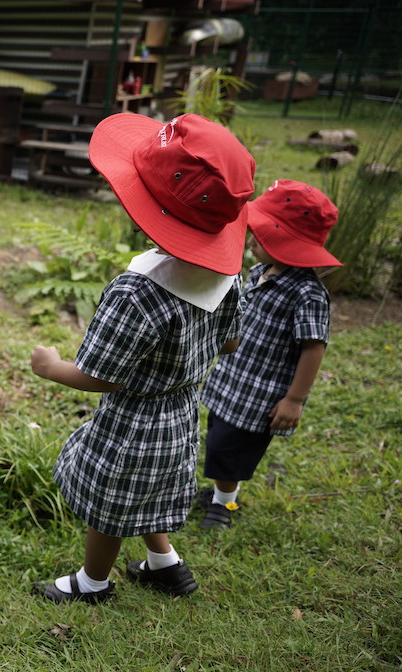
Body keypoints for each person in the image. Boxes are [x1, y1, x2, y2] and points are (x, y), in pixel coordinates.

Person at [30, 113, 255, 603]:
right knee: (147, 490)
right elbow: (231, 343)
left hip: (131, 423)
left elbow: (101, 377)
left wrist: (50, 366)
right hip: (179, 415)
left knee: (110, 505)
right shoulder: (227, 277)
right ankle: (164, 564)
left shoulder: (139, 294)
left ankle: (93, 583)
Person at [198, 180, 341, 529]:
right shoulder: (260, 272)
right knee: (217, 439)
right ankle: (221, 492)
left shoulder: (308, 294)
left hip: (260, 393)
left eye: (259, 236)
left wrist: (294, 399)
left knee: (231, 450)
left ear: (285, 242)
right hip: (233, 377)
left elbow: (313, 347)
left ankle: (224, 505)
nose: (251, 240)